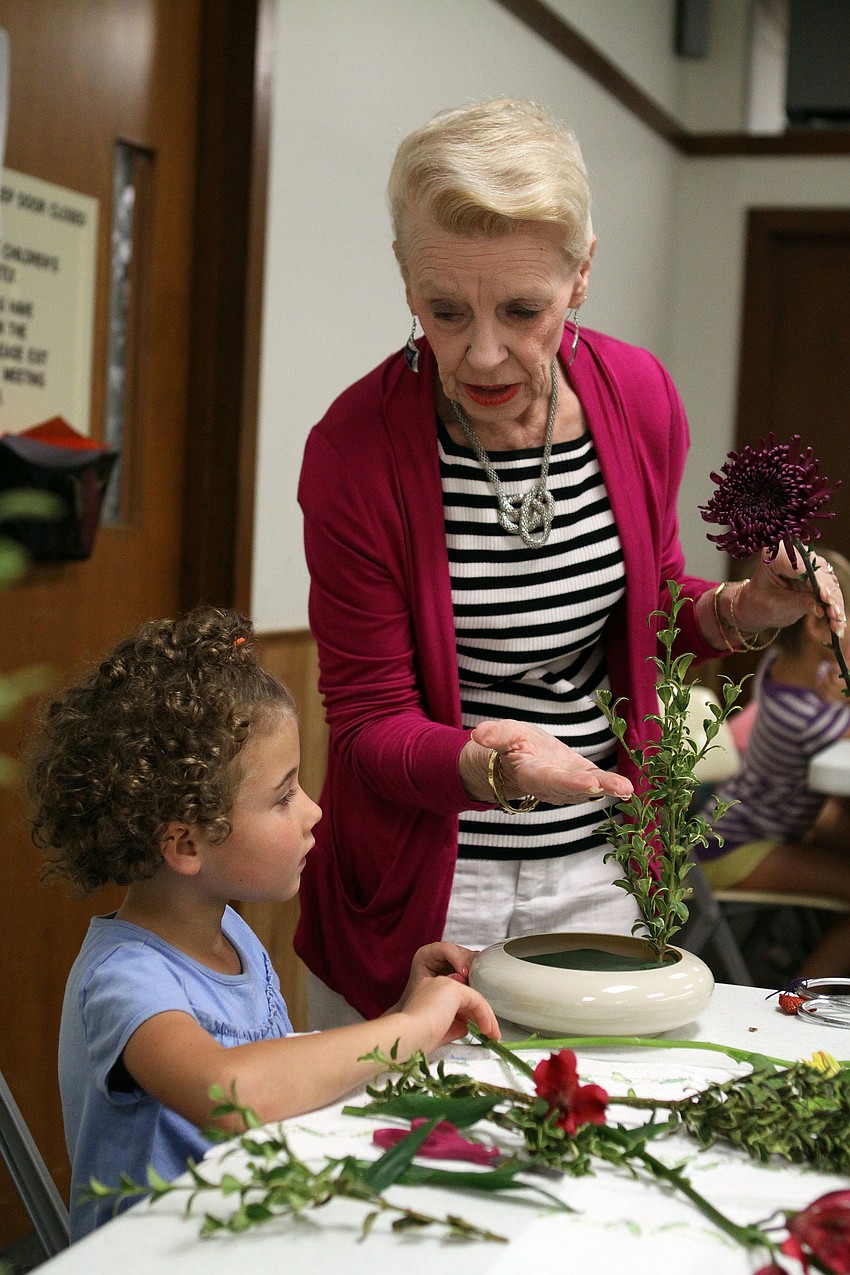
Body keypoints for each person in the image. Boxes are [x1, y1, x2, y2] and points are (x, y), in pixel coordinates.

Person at [296, 97, 847, 1026]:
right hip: (426, 888)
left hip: (602, 867)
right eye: (444, 308)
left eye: (522, 308)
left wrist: (746, 609)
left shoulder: (638, 395)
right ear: (406, 283)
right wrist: (495, 764)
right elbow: (366, 723)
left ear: (582, 273)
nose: (480, 351)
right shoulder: (354, 450)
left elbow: (655, 608)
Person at [26, 606, 499, 1240]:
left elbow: (282, 1074)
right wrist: (405, 1031)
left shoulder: (234, 938)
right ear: (186, 844)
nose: (313, 811)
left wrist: (402, 1011)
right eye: (282, 796)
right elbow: (234, 1095)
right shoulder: (125, 983)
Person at [697, 549, 850, 978]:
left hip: (734, 832)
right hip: (733, 850)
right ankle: (804, 1001)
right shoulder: (802, 715)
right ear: (818, 625)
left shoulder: (783, 669)